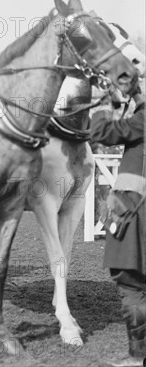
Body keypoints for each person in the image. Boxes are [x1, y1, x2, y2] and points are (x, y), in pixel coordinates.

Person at [90, 84, 145, 367]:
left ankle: (137, 358)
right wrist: (136, 95)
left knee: (131, 286)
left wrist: (105, 105)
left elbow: (100, 132)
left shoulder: (142, 122)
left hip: (136, 220)